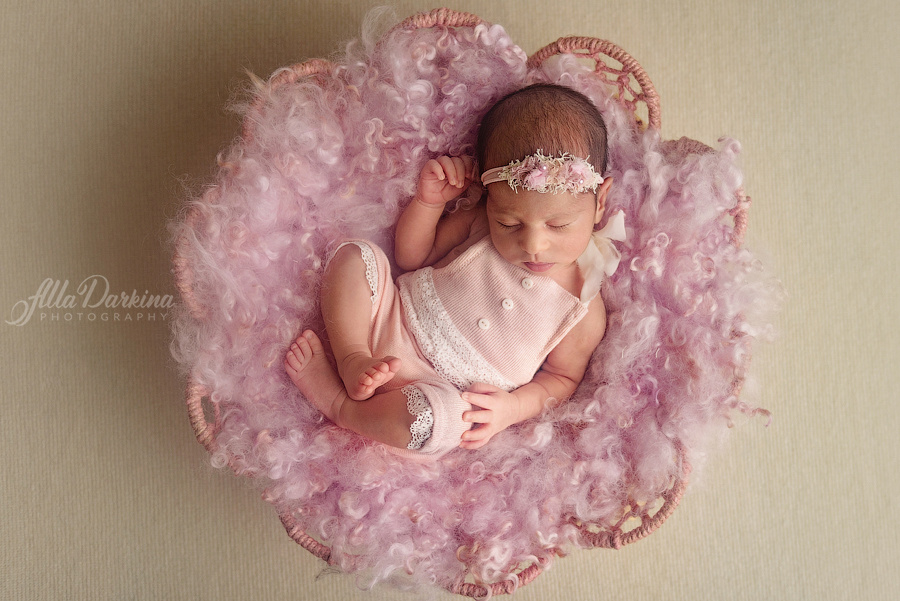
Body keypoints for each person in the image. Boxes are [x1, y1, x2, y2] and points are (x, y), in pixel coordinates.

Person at [284, 83, 625, 458]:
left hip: (442, 394)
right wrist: (428, 204)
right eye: (510, 223)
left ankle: (342, 407)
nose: (533, 244)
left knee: (446, 423)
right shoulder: (479, 222)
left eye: (558, 225)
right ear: (490, 199)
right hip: (390, 317)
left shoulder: (583, 305)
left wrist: (512, 409)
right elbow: (413, 257)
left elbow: (561, 380)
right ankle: (352, 358)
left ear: (600, 202)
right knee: (356, 256)